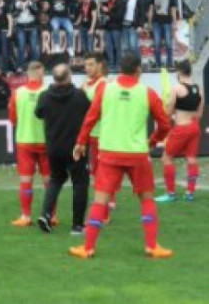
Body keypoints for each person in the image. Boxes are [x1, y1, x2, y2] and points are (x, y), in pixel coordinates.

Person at [70, 52, 173, 259]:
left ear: (120, 69)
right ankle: (152, 246)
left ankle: (88, 248)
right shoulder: (147, 93)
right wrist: (153, 141)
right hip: (137, 154)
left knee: (100, 201)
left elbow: (90, 118)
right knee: (147, 200)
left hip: (110, 153)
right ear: (138, 70)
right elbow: (165, 124)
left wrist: (80, 142)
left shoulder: (106, 90)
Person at [35, 64, 91, 234]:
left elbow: (38, 113)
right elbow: (90, 111)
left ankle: (46, 214)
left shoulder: (45, 96)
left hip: (54, 146)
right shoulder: (79, 95)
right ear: (69, 76)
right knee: (80, 183)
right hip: (75, 147)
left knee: (56, 179)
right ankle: (77, 225)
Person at [8, 61, 50, 227]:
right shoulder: (48, 91)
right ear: (40, 73)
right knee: (48, 180)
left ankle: (25, 216)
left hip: (25, 140)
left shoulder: (18, 93)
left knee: (26, 180)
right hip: (45, 141)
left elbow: (13, 117)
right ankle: (51, 215)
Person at [156, 61, 203, 203]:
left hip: (182, 128)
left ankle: (171, 194)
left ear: (180, 72)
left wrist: (167, 110)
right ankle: (190, 194)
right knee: (191, 158)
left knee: (166, 158)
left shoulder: (176, 89)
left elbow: (168, 113)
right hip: (194, 127)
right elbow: (199, 114)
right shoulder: (199, 89)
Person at [82, 53, 116, 221]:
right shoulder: (87, 84)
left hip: (102, 135)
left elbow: (100, 111)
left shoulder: (103, 84)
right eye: (86, 65)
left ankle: (104, 210)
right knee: (99, 171)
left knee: (101, 172)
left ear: (100, 66)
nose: (87, 68)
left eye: (91, 64)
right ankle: (109, 201)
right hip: (94, 134)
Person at [148, 0, 177, 70]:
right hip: (156, 22)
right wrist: (149, 23)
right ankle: (158, 63)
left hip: (167, 22)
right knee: (157, 43)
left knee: (168, 43)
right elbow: (151, 10)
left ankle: (170, 63)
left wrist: (174, 24)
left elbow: (173, 11)